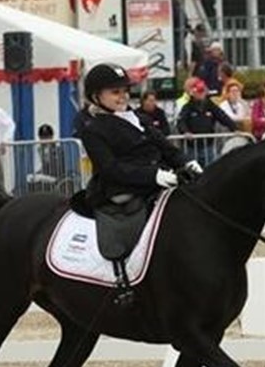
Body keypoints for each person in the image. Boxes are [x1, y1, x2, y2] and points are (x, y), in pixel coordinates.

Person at [76, 63, 200, 305]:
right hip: (122, 189)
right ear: (96, 96)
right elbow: (111, 169)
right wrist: (154, 176)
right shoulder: (93, 129)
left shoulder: (138, 118)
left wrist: (188, 162)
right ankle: (124, 278)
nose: (123, 96)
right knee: (131, 214)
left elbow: (166, 148)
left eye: (125, 91)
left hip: (158, 181)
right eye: (115, 92)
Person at [175, 78, 237, 167]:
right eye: (199, 91)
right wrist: (185, 131)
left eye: (203, 91)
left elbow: (223, 117)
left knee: (211, 169)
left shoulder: (210, 105)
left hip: (208, 146)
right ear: (193, 93)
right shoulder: (187, 107)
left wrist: (234, 128)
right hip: (191, 147)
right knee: (193, 171)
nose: (201, 94)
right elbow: (181, 121)